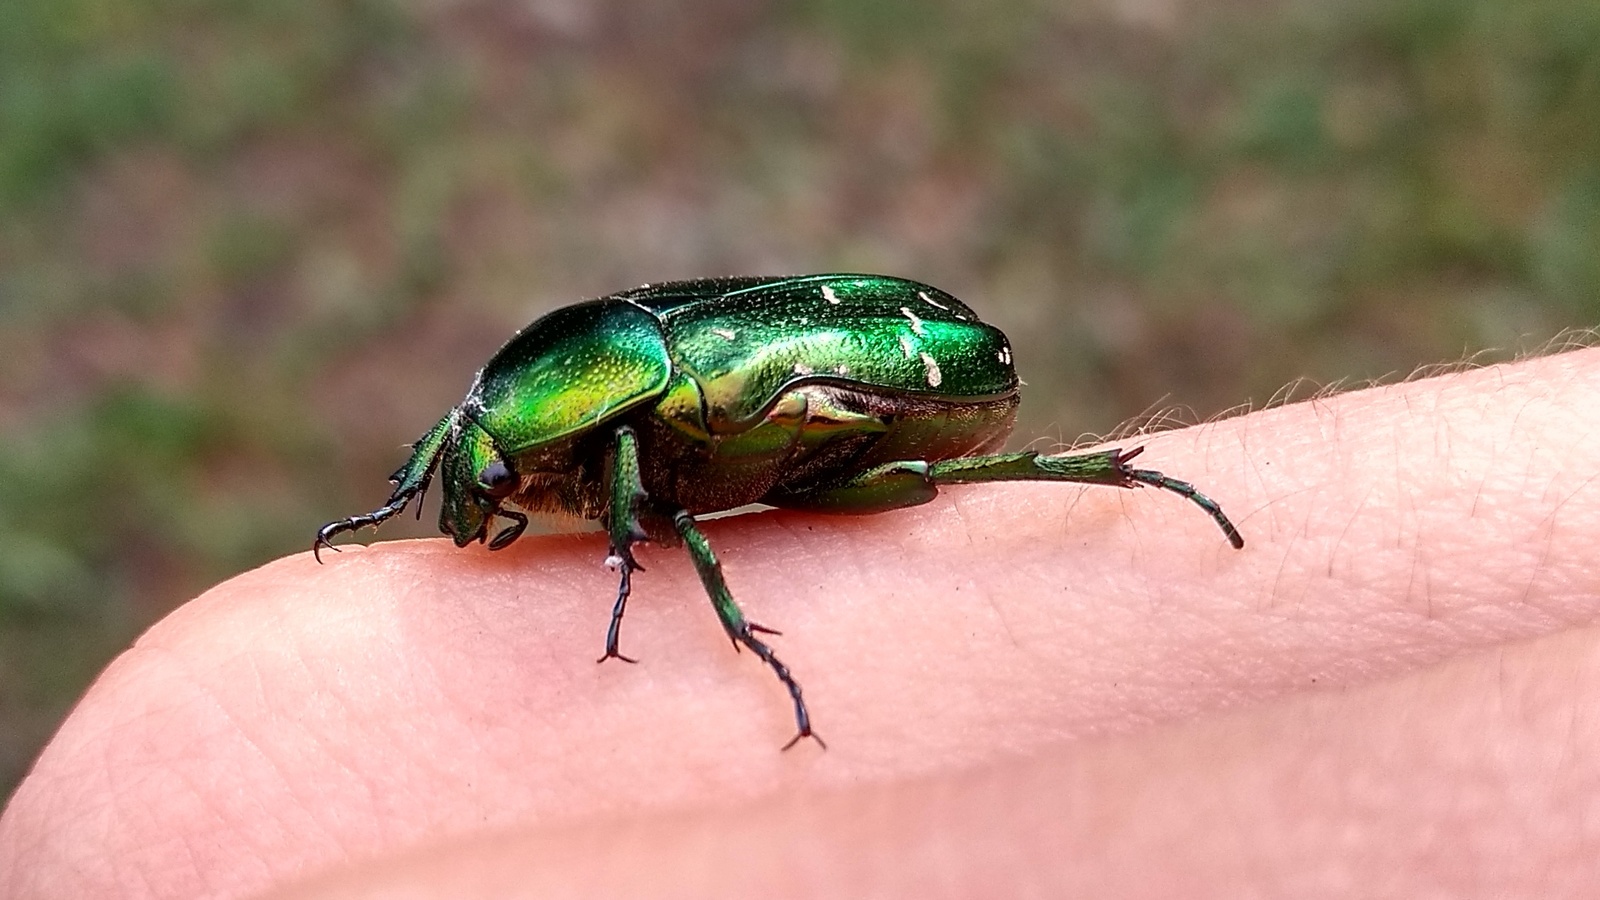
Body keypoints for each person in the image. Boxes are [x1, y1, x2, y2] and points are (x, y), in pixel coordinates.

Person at [4, 347, 1599, 898]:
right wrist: (418, 493)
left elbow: (648, 495)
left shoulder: (640, 447)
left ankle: (1109, 483)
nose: (475, 502)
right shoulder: (558, 407)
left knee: (906, 487)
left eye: (478, 479)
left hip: (904, 383)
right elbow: (494, 432)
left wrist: (644, 569)